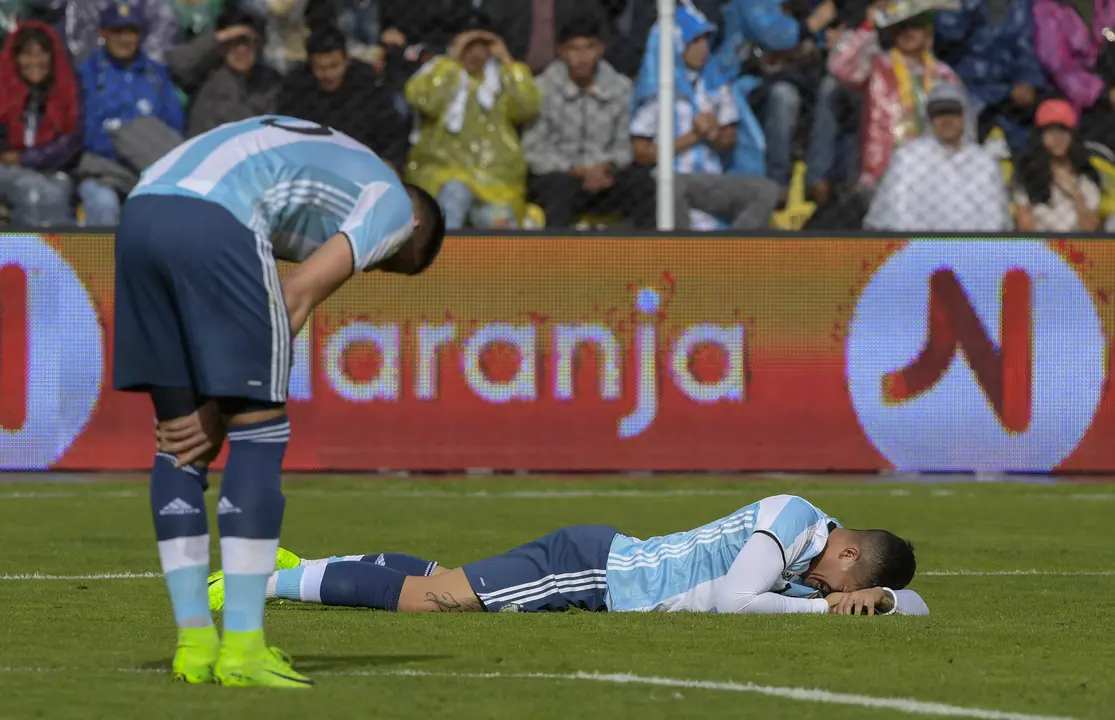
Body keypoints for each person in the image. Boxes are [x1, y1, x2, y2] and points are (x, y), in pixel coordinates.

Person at [112, 115, 447, 687]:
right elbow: (294, 297)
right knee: (258, 434)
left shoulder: (338, 164)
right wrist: (220, 410)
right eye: (393, 261)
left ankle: (193, 646)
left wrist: (203, 414)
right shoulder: (390, 204)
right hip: (215, 218)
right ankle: (242, 647)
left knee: (176, 444)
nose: (378, 266)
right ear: (414, 225)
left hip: (141, 208)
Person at [207, 494, 929, 617]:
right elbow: (731, 600)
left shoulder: (817, 564)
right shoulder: (792, 519)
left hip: (597, 571)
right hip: (594, 568)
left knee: (436, 579)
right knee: (433, 600)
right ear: (848, 549)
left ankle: (312, 564)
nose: (822, 587)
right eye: (840, 580)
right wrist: (826, 614)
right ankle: (263, 582)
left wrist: (887, 601)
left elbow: (920, 608)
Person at [630, 4, 780, 230]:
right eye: (695, 41)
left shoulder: (715, 85)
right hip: (672, 177)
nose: (703, 49)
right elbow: (641, 153)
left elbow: (730, 137)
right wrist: (692, 136)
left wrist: (714, 133)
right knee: (670, 188)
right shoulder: (657, 90)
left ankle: (730, 255)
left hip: (710, 181)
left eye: (705, 40)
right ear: (676, 44)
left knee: (766, 191)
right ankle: (684, 256)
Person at [522, 12, 655, 229]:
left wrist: (607, 167)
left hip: (605, 178)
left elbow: (623, 147)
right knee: (558, 188)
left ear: (600, 49)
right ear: (562, 52)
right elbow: (533, 150)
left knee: (642, 184)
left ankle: (649, 258)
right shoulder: (541, 88)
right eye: (574, 49)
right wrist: (574, 170)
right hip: (561, 177)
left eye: (589, 47)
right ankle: (557, 258)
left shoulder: (620, 88)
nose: (582, 57)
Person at [405, 22, 541, 230]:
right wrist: (450, 62)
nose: (475, 53)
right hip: (443, 171)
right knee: (454, 196)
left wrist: (507, 60)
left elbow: (527, 107)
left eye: (483, 45)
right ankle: (443, 258)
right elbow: (427, 102)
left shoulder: (500, 78)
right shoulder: (438, 72)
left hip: (495, 177)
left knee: (501, 223)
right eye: (468, 45)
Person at [77, 2, 185, 226]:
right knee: (103, 204)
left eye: (131, 31)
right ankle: (101, 262)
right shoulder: (87, 74)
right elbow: (85, 131)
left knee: (170, 208)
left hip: (150, 170)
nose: (125, 39)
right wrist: (130, 148)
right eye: (117, 31)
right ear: (103, 33)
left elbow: (174, 125)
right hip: (104, 169)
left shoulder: (156, 74)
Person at [865, 82, 1010, 230]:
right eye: (938, 113)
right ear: (929, 119)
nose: (946, 119)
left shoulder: (984, 163)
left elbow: (997, 220)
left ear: (965, 116)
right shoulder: (909, 159)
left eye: (952, 112)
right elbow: (891, 218)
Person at [0, 20, 80, 226]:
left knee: (54, 193)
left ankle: (56, 257)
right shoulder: (4, 90)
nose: (34, 61)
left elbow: (70, 141)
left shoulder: (66, 91)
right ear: (15, 58)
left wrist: (26, 158)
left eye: (41, 53)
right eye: (26, 54)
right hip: (6, 169)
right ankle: (24, 256)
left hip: (53, 168)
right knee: (30, 190)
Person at [1013, 98, 1101, 232]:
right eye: (1051, 131)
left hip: (1078, 248)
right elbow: (1025, 226)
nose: (1057, 138)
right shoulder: (1027, 173)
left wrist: (1076, 194)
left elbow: (1090, 230)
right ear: (1040, 136)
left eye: (1063, 130)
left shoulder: (1086, 175)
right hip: (1039, 249)